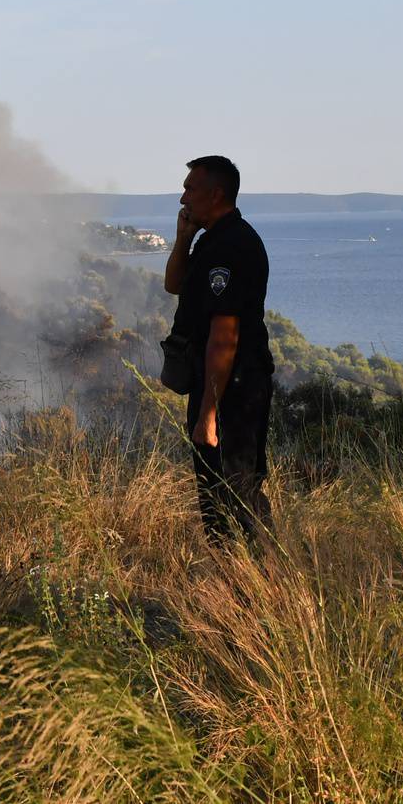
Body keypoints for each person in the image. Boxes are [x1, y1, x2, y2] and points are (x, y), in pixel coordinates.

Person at [163, 154, 273, 544]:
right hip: (219, 384)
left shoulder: (232, 246)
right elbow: (174, 284)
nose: (182, 199)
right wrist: (183, 239)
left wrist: (208, 414)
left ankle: (258, 587)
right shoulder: (212, 241)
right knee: (218, 498)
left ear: (216, 193)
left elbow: (224, 336)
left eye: (190, 189)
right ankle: (243, 588)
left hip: (234, 390)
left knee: (233, 497)